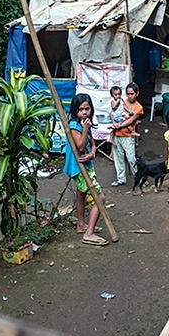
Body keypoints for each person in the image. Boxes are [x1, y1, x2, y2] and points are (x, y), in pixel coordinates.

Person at [63, 93, 108, 246]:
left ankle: (81, 224)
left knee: (81, 194)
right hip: (80, 168)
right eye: (80, 109)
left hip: (86, 164)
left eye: (87, 109)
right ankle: (89, 233)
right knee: (100, 198)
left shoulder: (85, 123)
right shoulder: (76, 126)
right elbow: (80, 146)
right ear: (75, 110)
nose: (84, 112)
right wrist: (84, 129)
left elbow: (92, 143)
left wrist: (93, 152)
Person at [111, 82, 144, 187]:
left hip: (128, 136)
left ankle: (139, 178)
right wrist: (115, 124)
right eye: (128, 94)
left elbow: (130, 121)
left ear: (137, 94)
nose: (130, 96)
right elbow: (113, 112)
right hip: (117, 135)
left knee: (131, 159)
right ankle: (121, 179)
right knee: (118, 158)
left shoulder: (138, 108)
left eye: (132, 94)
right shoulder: (122, 102)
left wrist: (118, 125)